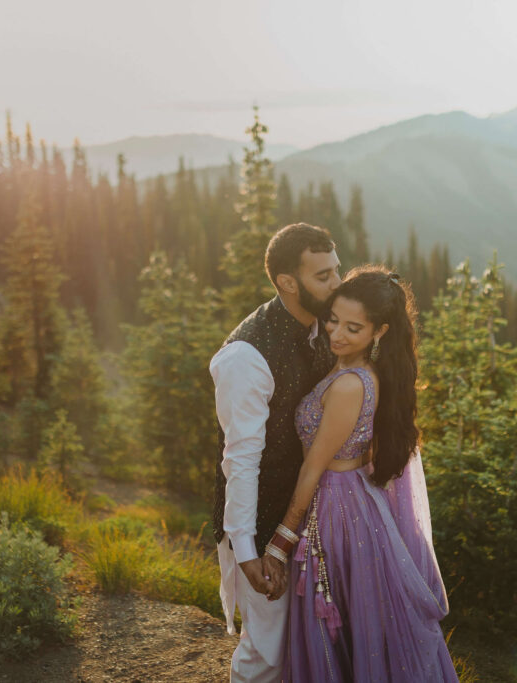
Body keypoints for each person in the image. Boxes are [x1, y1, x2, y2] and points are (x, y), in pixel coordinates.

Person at [265, 265, 458, 682]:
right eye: (333, 319)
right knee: (353, 626)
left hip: (337, 512)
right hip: (352, 504)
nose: (336, 333)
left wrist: (281, 542)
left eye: (353, 328)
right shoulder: (349, 371)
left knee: (343, 623)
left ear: (379, 331)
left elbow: (314, 466)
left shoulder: (352, 384)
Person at [210, 223, 342, 682]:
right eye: (323, 276)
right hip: (265, 521)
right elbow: (241, 460)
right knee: (267, 651)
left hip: (318, 514)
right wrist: (247, 550)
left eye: (336, 270)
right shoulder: (245, 356)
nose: (336, 284)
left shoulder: (326, 324)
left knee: (313, 642)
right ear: (288, 282)